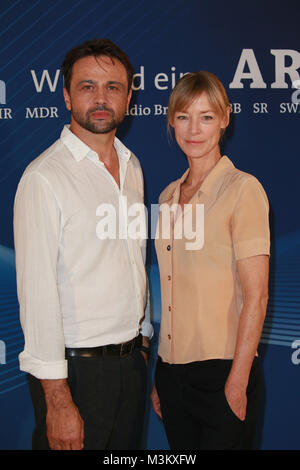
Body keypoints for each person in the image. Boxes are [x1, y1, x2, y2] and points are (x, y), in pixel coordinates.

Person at [14, 38, 153, 451]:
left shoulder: (133, 167)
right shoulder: (44, 178)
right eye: (87, 86)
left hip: (130, 366)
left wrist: (142, 342)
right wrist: (57, 399)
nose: (100, 98)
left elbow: (133, 260)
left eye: (112, 87)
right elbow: (37, 295)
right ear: (65, 95)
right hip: (75, 374)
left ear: (129, 96)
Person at [151, 71, 270, 450]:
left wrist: (237, 380)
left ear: (224, 118)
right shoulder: (168, 197)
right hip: (171, 374)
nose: (194, 129)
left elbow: (257, 296)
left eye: (206, 116)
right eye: (184, 116)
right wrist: (161, 373)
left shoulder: (242, 190)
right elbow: (170, 294)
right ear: (171, 121)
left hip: (224, 372)